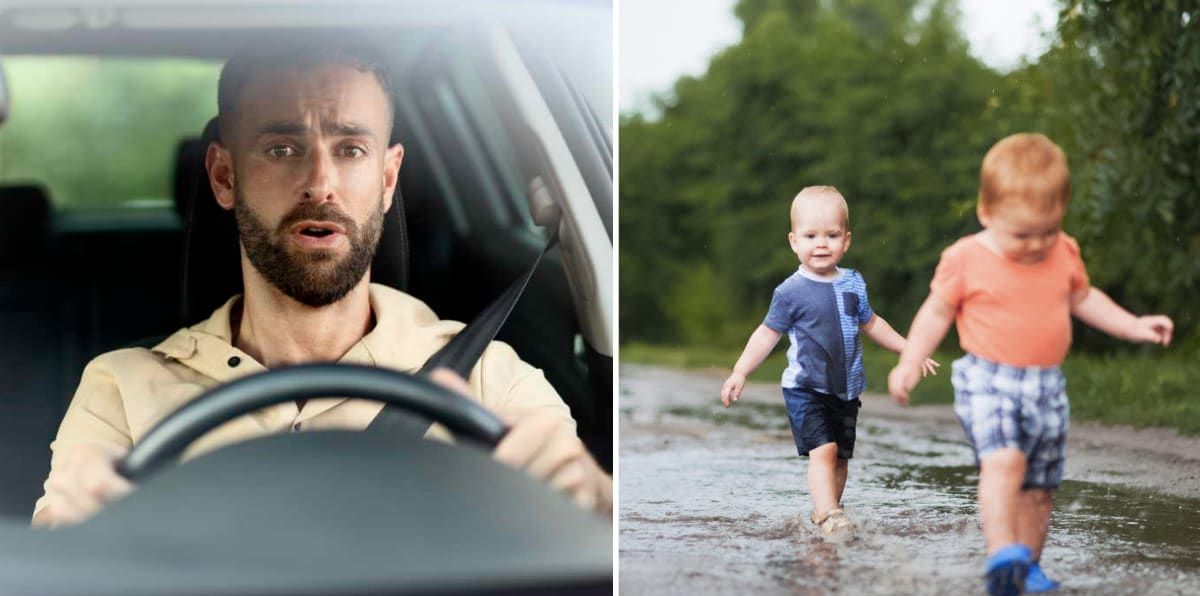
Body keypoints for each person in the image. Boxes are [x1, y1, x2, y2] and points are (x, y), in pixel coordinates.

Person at [32, 42, 611, 527]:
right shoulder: (122, 387)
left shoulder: (491, 377)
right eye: (283, 149)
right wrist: (81, 535)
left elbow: (588, 551)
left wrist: (592, 502)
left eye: (351, 149)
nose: (320, 182)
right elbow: (61, 583)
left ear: (387, 179)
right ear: (224, 176)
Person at [887, 133, 1173, 596]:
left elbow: (1083, 298)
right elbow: (935, 312)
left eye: (1048, 230)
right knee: (1004, 461)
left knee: (1040, 488)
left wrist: (1133, 325)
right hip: (988, 381)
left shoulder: (1064, 251)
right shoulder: (965, 258)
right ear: (987, 212)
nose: (1036, 244)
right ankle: (1001, 551)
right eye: (1022, 234)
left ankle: (1029, 566)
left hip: (1046, 387)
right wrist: (910, 362)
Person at [720, 186, 938, 536]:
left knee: (840, 458)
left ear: (846, 241)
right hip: (806, 388)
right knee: (825, 449)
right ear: (794, 241)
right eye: (810, 236)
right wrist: (740, 371)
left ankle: (828, 514)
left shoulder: (853, 283)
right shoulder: (790, 292)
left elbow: (873, 323)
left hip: (846, 388)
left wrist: (910, 349)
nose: (821, 244)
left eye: (831, 235)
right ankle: (828, 513)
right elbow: (765, 335)